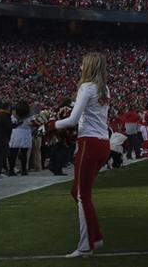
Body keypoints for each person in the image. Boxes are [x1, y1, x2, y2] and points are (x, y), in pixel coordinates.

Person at [46, 53, 112, 258]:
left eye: (83, 62)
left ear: (89, 66)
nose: (80, 65)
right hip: (103, 144)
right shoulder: (104, 89)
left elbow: (73, 120)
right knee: (78, 191)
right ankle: (96, 236)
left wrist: (50, 125)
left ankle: (85, 246)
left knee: (83, 195)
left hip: (89, 144)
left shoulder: (87, 87)